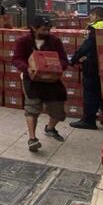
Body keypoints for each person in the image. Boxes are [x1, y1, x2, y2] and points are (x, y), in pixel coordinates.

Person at [13, 16, 69, 152]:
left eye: (49, 29)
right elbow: (16, 59)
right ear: (33, 28)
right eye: (44, 29)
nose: (47, 32)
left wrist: (56, 67)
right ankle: (32, 139)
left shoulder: (55, 41)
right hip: (31, 80)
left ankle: (50, 128)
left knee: (58, 110)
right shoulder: (23, 41)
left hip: (52, 80)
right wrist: (27, 68)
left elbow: (64, 60)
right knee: (32, 108)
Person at [70, 7, 103, 130]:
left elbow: (87, 45)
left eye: (91, 16)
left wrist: (74, 58)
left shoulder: (94, 27)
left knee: (90, 93)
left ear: (95, 15)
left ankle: (88, 120)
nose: (90, 18)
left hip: (93, 64)